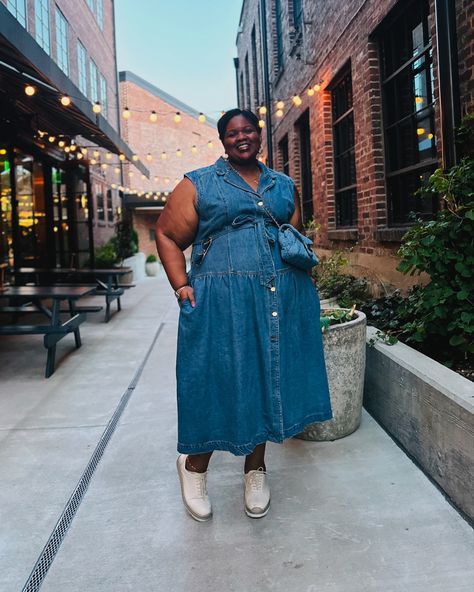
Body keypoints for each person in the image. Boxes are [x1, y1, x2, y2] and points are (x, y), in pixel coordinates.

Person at [155, 108, 332, 522]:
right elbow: (165, 233)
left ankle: (256, 469)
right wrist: (181, 285)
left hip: (281, 296)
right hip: (220, 298)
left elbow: (292, 234)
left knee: (267, 377)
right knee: (217, 378)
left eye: (248, 130)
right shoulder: (199, 183)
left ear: (259, 135)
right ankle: (194, 466)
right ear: (223, 141)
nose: (242, 137)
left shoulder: (283, 185)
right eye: (233, 133)